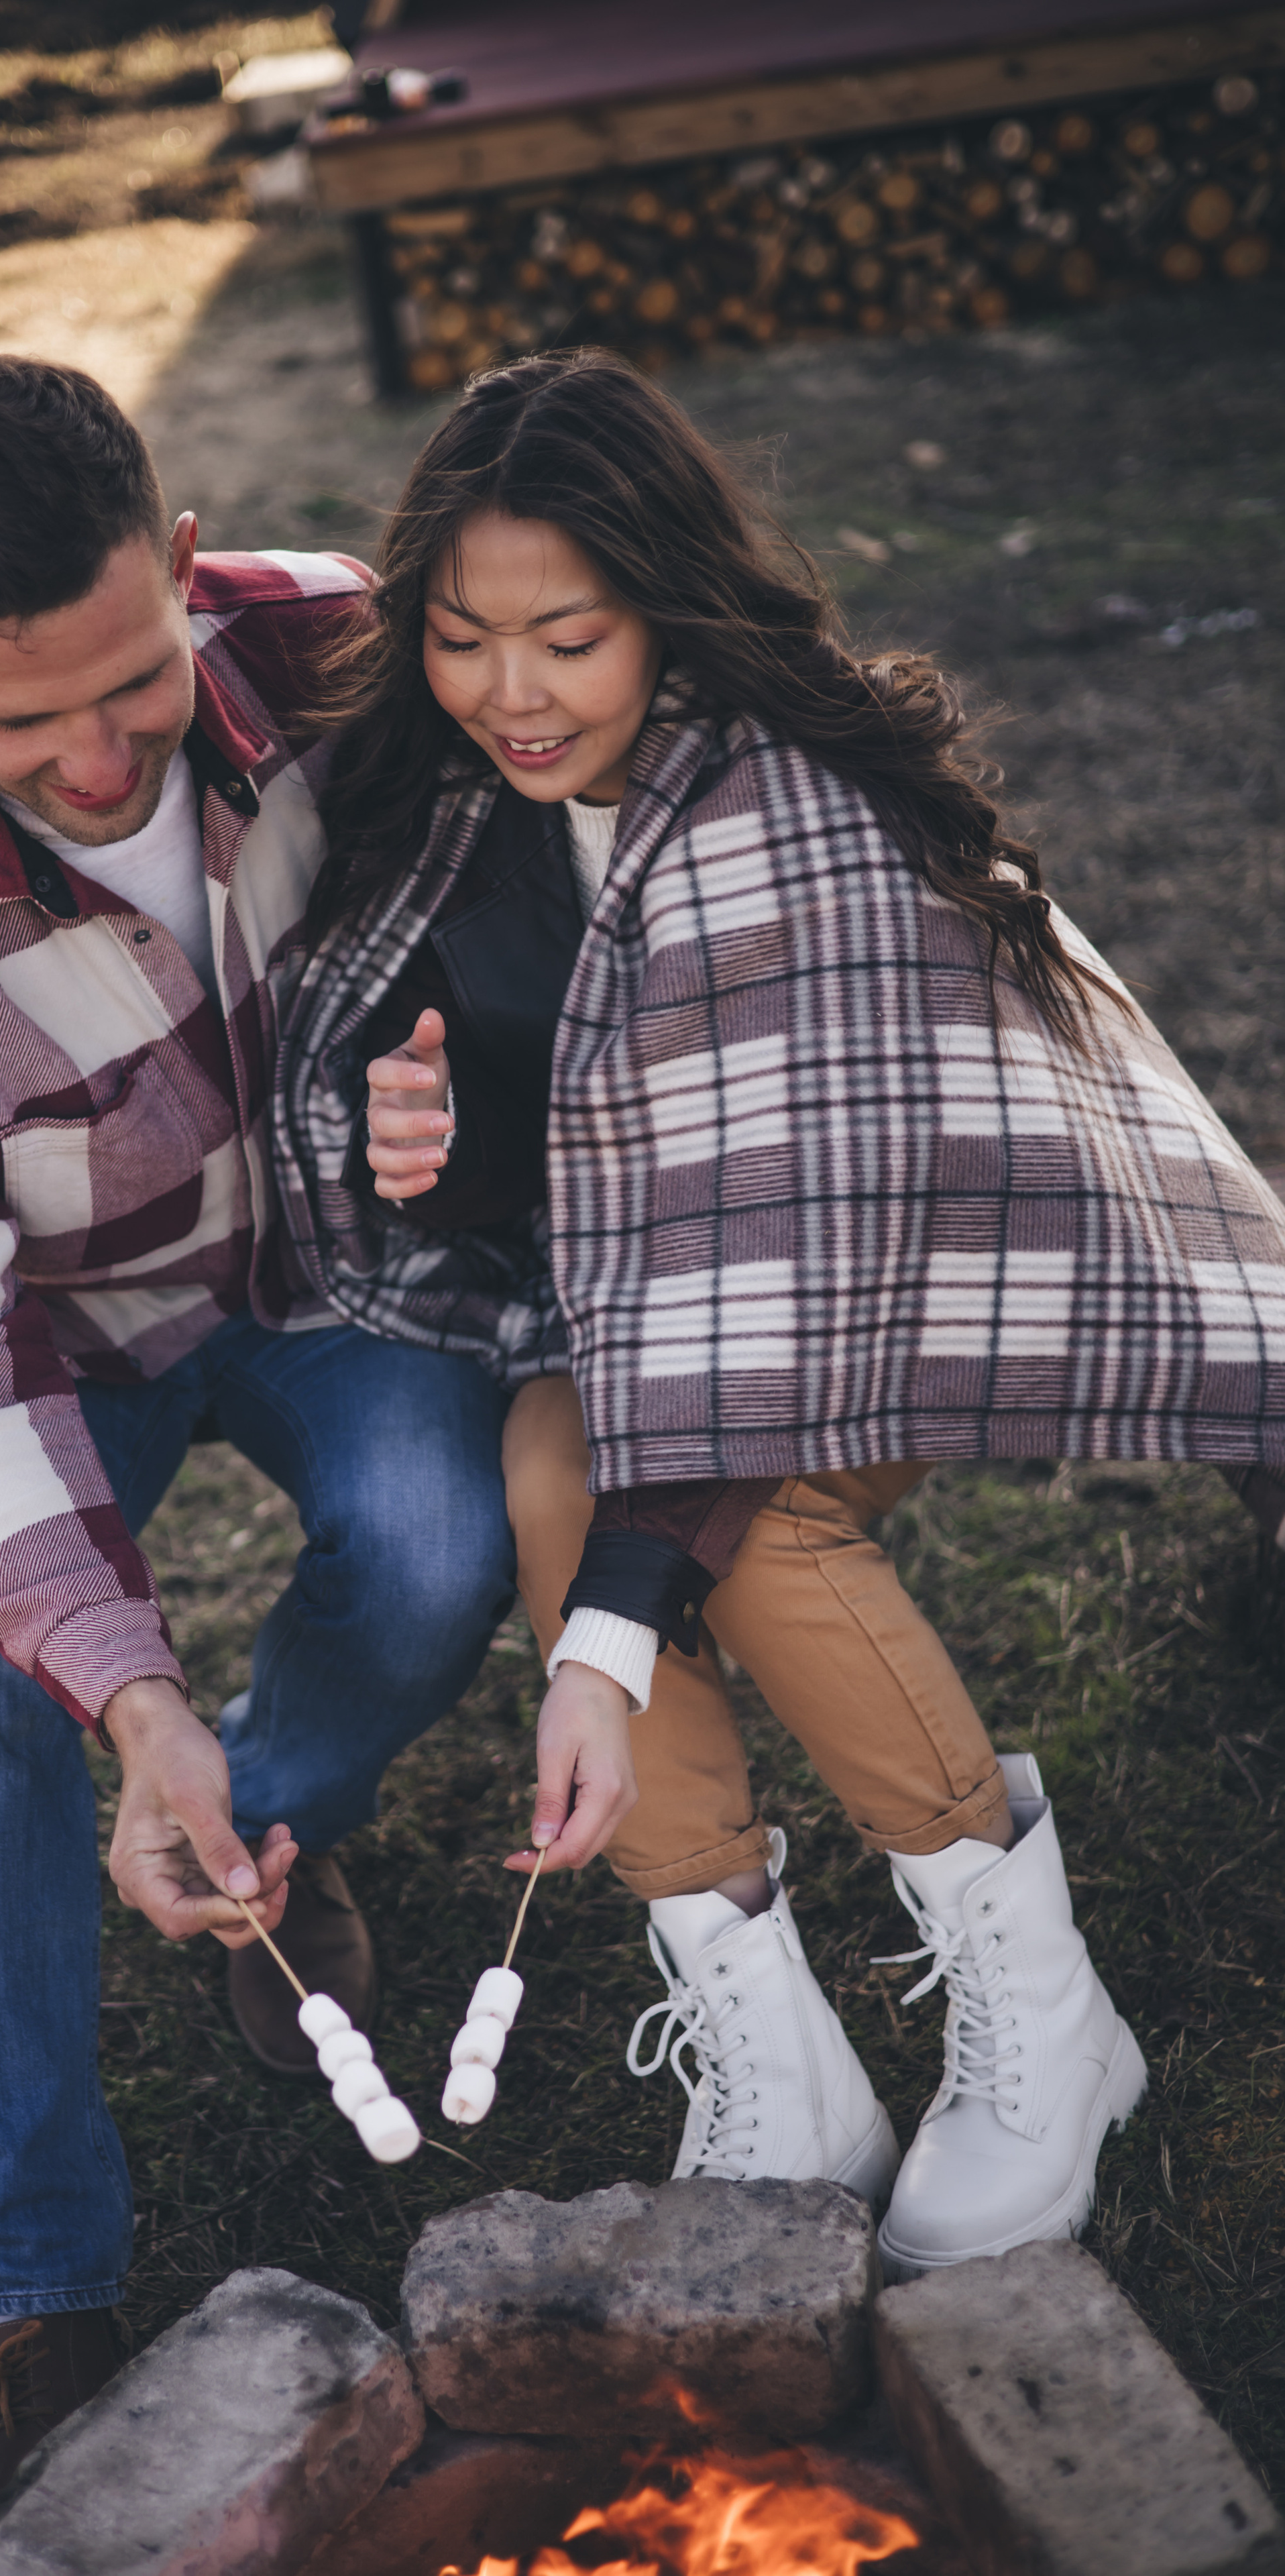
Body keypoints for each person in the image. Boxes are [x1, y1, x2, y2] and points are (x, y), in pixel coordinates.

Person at [274, 347, 1285, 2283]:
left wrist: (597, 1656)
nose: (510, 691)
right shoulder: (475, 813)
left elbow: (768, 1297)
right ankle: (778, 2056)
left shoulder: (782, 820)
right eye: (463, 639)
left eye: (568, 638)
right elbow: (607, 1170)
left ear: (663, 605)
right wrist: (439, 1154)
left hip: (928, 1284)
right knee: (554, 1455)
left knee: (756, 1524)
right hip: (715, 1317)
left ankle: (1046, 2011)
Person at [0, 355, 517, 2565]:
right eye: (20, 722)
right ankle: (30, 2290)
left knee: (439, 1545)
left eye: (134, 686)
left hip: (326, 1276)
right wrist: (128, 1688)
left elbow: (524, 892)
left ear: (182, 569)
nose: (95, 760)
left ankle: (265, 1833)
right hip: (50, 1338)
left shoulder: (344, 644)